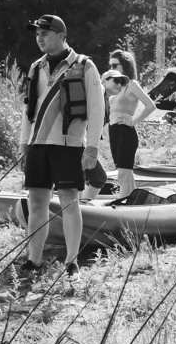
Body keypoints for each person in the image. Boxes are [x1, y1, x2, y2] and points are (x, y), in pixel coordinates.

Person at [18, 14, 105, 277]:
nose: (39, 38)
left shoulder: (84, 65)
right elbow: (27, 110)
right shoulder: (36, 67)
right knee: (37, 202)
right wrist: (23, 144)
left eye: (45, 33)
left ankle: (71, 261)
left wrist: (92, 148)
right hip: (37, 146)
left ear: (61, 35)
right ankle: (34, 260)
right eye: (37, 34)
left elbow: (97, 108)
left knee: (69, 202)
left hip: (69, 145)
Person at [103, 49, 157, 195]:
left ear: (125, 65)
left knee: (123, 173)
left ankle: (124, 205)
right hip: (113, 131)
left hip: (125, 131)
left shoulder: (132, 84)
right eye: (110, 66)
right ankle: (132, 201)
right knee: (124, 172)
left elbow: (151, 105)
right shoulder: (115, 87)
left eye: (115, 66)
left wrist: (133, 121)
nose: (111, 69)